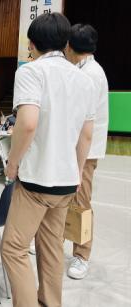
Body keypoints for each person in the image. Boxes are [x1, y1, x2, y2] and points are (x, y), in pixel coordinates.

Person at [1, 13, 96, 307]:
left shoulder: (31, 72)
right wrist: (78, 171)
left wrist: (13, 163)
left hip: (36, 181)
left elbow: (27, 123)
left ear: (31, 44)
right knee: (52, 248)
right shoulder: (83, 79)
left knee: (14, 248)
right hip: (67, 181)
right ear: (65, 43)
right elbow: (86, 135)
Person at [64, 24, 109, 280]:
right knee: (64, 199)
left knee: (81, 202)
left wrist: (80, 166)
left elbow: (85, 125)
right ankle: (58, 241)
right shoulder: (81, 68)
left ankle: (82, 255)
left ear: (70, 46)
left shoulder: (91, 74)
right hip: (75, 147)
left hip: (86, 151)